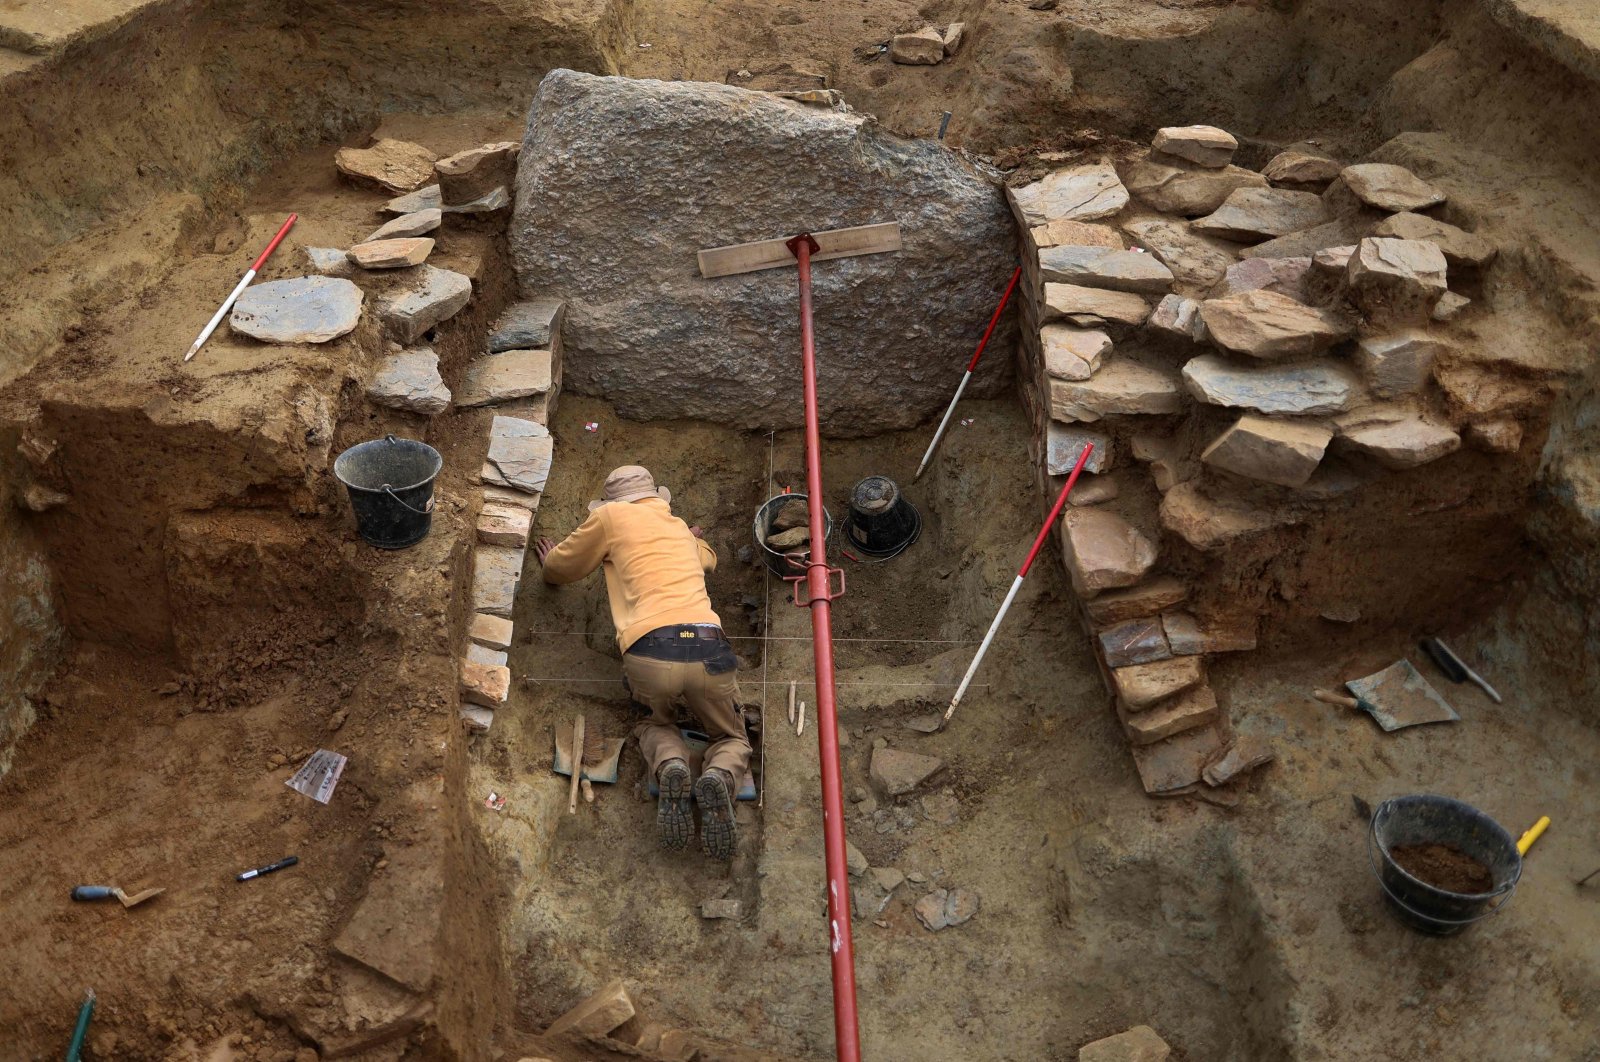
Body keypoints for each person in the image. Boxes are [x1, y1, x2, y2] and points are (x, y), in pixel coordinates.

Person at [534, 465, 749, 860]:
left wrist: (549, 563)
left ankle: (670, 765)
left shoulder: (609, 517)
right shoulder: (678, 524)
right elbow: (710, 561)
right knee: (731, 735)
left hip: (651, 648)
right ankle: (719, 774)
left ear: (613, 501)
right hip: (708, 645)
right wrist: (690, 539)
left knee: (653, 721)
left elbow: (561, 569)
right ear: (655, 498)